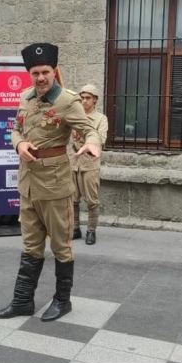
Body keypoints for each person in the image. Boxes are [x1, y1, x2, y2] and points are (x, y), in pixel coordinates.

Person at [0, 43, 102, 322]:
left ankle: (62, 301)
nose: (40, 78)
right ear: (29, 74)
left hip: (55, 187)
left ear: (54, 71)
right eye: (35, 73)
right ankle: (22, 301)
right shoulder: (25, 97)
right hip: (28, 184)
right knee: (30, 245)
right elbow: (16, 130)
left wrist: (92, 144)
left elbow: (88, 129)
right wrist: (19, 145)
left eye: (45, 72)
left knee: (61, 246)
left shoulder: (67, 100)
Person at [70, 84, 108, 245]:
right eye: (82, 98)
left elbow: (101, 139)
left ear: (95, 100)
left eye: (88, 98)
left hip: (90, 163)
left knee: (92, 200)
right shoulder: (75, 117)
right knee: (72, 199)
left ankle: (91, 231)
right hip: (73, 162)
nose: (84, 101)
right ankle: (75, 228)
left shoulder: (101, 119)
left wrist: (85, 137)